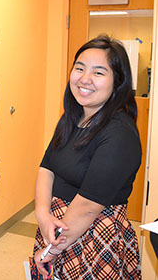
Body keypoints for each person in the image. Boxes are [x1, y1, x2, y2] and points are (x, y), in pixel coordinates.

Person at [32, 35, 141, 279]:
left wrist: (52, 249)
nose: (84, 79)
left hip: (91, 236)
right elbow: (46, 166)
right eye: (79, 68)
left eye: (98, 72)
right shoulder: (71, 117)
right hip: (56, 229)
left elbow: (88, 207)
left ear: (118, 82)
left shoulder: (119, 133)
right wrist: (42, 214)